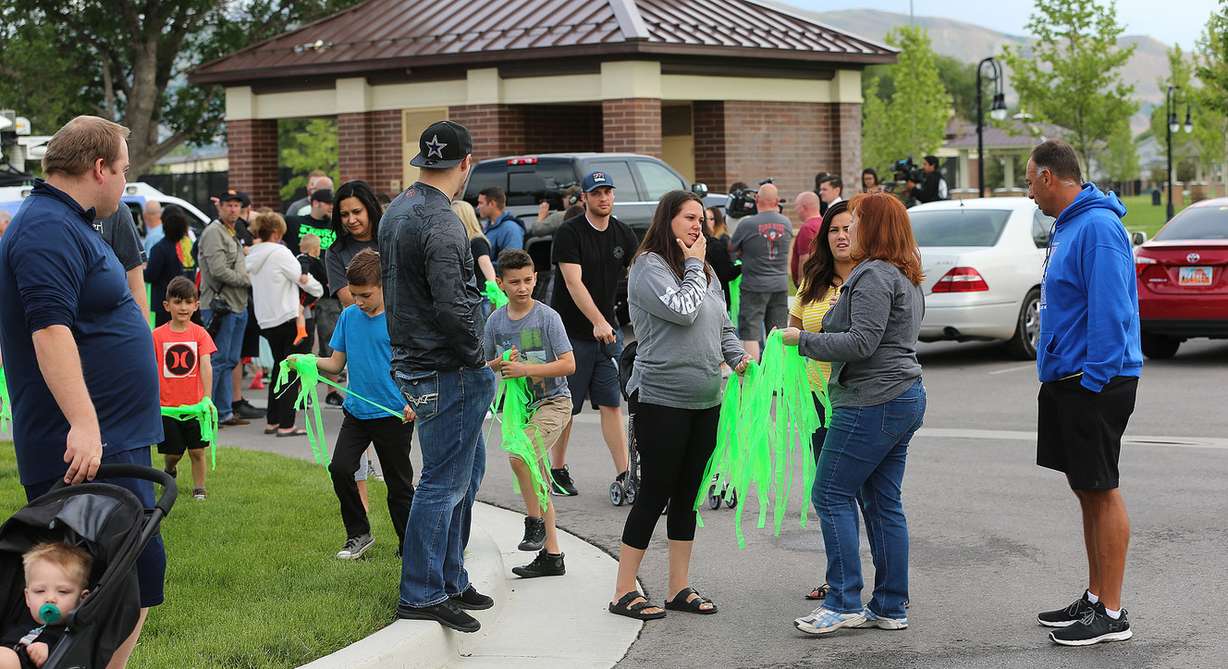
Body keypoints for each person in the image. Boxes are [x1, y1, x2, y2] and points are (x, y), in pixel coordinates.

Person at [0, 115, 165, 668]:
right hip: (84, 446)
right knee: (82, 589)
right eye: (122, 170)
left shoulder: (67, 222)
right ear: (99, 168)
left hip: (107, 439)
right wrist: (85, 423)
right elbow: (49, 330)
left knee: (130, 577)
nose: (124, 182)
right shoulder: (47, 227)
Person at [781, 192, 926, 636]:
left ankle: (843, 601)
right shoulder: (904, 273)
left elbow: (861, 342)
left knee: (829, 494)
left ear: (876, 228)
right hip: (901, 396)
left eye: (858, 221)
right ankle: (889, 605)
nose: (850, 229)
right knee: (883, 503)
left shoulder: (873, 275)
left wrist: (799, 339)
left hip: (871, 400)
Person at [609, 190, 749, 622]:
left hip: (706, 399)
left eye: (702, 219)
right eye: (689, 217)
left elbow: (721, 325)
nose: (697, 225)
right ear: (667, 219)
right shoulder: (648, 266)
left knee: (687, 497)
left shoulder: (704, 270)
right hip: (661, 399)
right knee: (654, 493)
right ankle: (622, 591)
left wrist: (738, 359)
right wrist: (693, 266)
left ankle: (678, 588)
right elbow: (684, 311)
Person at [383, 120, 497, 633]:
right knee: (444, 481)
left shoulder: (397, 210)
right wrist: (478, 358)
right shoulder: (446, 222)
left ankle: (450, 578)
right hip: (445, 367)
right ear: (465, 164)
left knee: (464, 475)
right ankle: (423, 592)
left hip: (415, 360)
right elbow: (454, 307)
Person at [1026, 140, 1141, 646]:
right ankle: (1096, 597)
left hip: (1094, 381)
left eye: (1030, 181)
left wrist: (1094, 379)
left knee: (1101, 488)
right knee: (1085, 490)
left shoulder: (1097, 227)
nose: (1029, 192)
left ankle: (1112, 614)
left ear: (1051, 176)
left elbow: (1112, 310)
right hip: (1067, 379)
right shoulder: (1069, 225)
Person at [313, 249, 417, 561]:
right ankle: (359, 534)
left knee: (398, 485)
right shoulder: (348, 317)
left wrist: (413, 400)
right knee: (340, 468)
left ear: (385, 286)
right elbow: (334, 364)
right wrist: (305, 362)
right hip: (356, 412)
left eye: (366, 295)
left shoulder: (400, 319)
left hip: (394, 415)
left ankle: (408, 545)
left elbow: (416, 365)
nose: (358, 301)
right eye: (354, 294)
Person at [483, 249, 574, 577]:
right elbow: (487, 365)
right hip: (522, 410)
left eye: (527, 280)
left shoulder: (547, 317)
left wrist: (524, 369)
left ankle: (534, 523)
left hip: (554, 403)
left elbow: (569, 364)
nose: (522, 287)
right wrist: (502, 362)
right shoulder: (495, 321)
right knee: (539, 476)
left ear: (535, 278)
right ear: (501, 283)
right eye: (514, 282)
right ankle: (553, 555)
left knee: (518, 455)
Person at [547, 170, 635, 497]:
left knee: (612, 403)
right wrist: (599, 320)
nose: (604, 198)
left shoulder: (623, 234)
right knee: (567, 405)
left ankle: (626, 473)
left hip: (607, 332)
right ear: (584, 197)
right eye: (596, 193)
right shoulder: (570, 233)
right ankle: (557, 469)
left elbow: (638, 274)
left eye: (608, 192)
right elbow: (573, 282)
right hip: (570, 333)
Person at [789, 199, 853, 602]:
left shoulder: (870, 278)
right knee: (827, 495)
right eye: (833, 229)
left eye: (848, 228)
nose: (841, 236)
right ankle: (839, 576)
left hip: (857, 400)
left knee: (866, 496)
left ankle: (885, 585)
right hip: (817, 400)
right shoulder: (812, 279)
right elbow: (792, 330)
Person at [245, 210, 322, 437]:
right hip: (289, 318)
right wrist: (318, 289)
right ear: (277, 232)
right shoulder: (281, 252)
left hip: (266, 321)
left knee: (279, 368)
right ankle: (287, 425)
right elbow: (302, 278)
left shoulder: (251, 257)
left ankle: (273, 420)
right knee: (291, 372)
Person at [153, 276, 216, 501]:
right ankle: (169, 470)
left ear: (196, 305)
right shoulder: (157, 336)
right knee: (173, 453)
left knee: (197, 451)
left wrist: (207, 399)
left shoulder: (200, 333)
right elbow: (150, 368)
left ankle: (199, 488)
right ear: (167, 305)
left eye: (189, 302)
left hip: (195, 406)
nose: (183, 307)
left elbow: (206, 366)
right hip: (167, 406)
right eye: (178, 302)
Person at [198, 190, 253, 426]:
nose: (233, 209)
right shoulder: (213, 232)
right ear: (220, 207)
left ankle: (225, 411)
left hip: (238, 304)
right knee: (218, 360)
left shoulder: (233, 232)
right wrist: (248, 280)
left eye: (236, 205)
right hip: (221, 306)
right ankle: (212, 413)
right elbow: (218, 270)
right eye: (228, 205)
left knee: (230, 360)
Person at [0, 543, 91, 669]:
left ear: (82, 599)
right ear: (27, 598)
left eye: (63, 591)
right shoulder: (17, 621)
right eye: (39, 591)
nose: (50, 599)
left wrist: (49, 651)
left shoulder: (71, 636)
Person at [730, 182, 792, 361]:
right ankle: (776, 378)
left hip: (754, 285)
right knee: (777, 333)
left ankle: (752, 378)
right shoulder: (786, 223)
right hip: (780, 285)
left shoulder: (747, 224)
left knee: (751, 332)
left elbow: (731, 248)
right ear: (777, 201)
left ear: (757, 199)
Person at [327, 181, 383, 308]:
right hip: (359, 323)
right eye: (344, 215)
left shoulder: (390, 240)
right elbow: (350, 301)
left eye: (357, 211)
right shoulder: (336, 251)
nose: (351, 220)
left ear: (370, 208)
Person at [145, 206, 197, 327]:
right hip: (188, 303)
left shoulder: (160, 248)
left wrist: (141, 270)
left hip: (166, 305)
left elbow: (150, 276)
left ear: (163, 222)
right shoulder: (189, 245)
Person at [95, 204, 149, 319]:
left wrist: (144, 332)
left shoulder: (118, 210)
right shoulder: (54, 206)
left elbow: (135, 282)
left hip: (108, 324)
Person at [477, 186, 524, 267]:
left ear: (492, 204)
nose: (478, 207)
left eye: (481, 203)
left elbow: (511, 262)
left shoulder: (511, 229)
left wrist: (483, 267)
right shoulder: (488, 225)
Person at [703, 206, 740, 308]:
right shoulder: (713, 244)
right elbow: (727, 272)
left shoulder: (723, 240)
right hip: (716, 295)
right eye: (704, 219)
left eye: (711, 219)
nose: (707, 222)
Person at [789, 191, 823, 287]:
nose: (796, 210)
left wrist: (801, 283)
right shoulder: (825, 223)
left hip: (810, 284)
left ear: (803, 207)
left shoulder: (807, 228)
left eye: (796, 206)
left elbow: (805, 258)